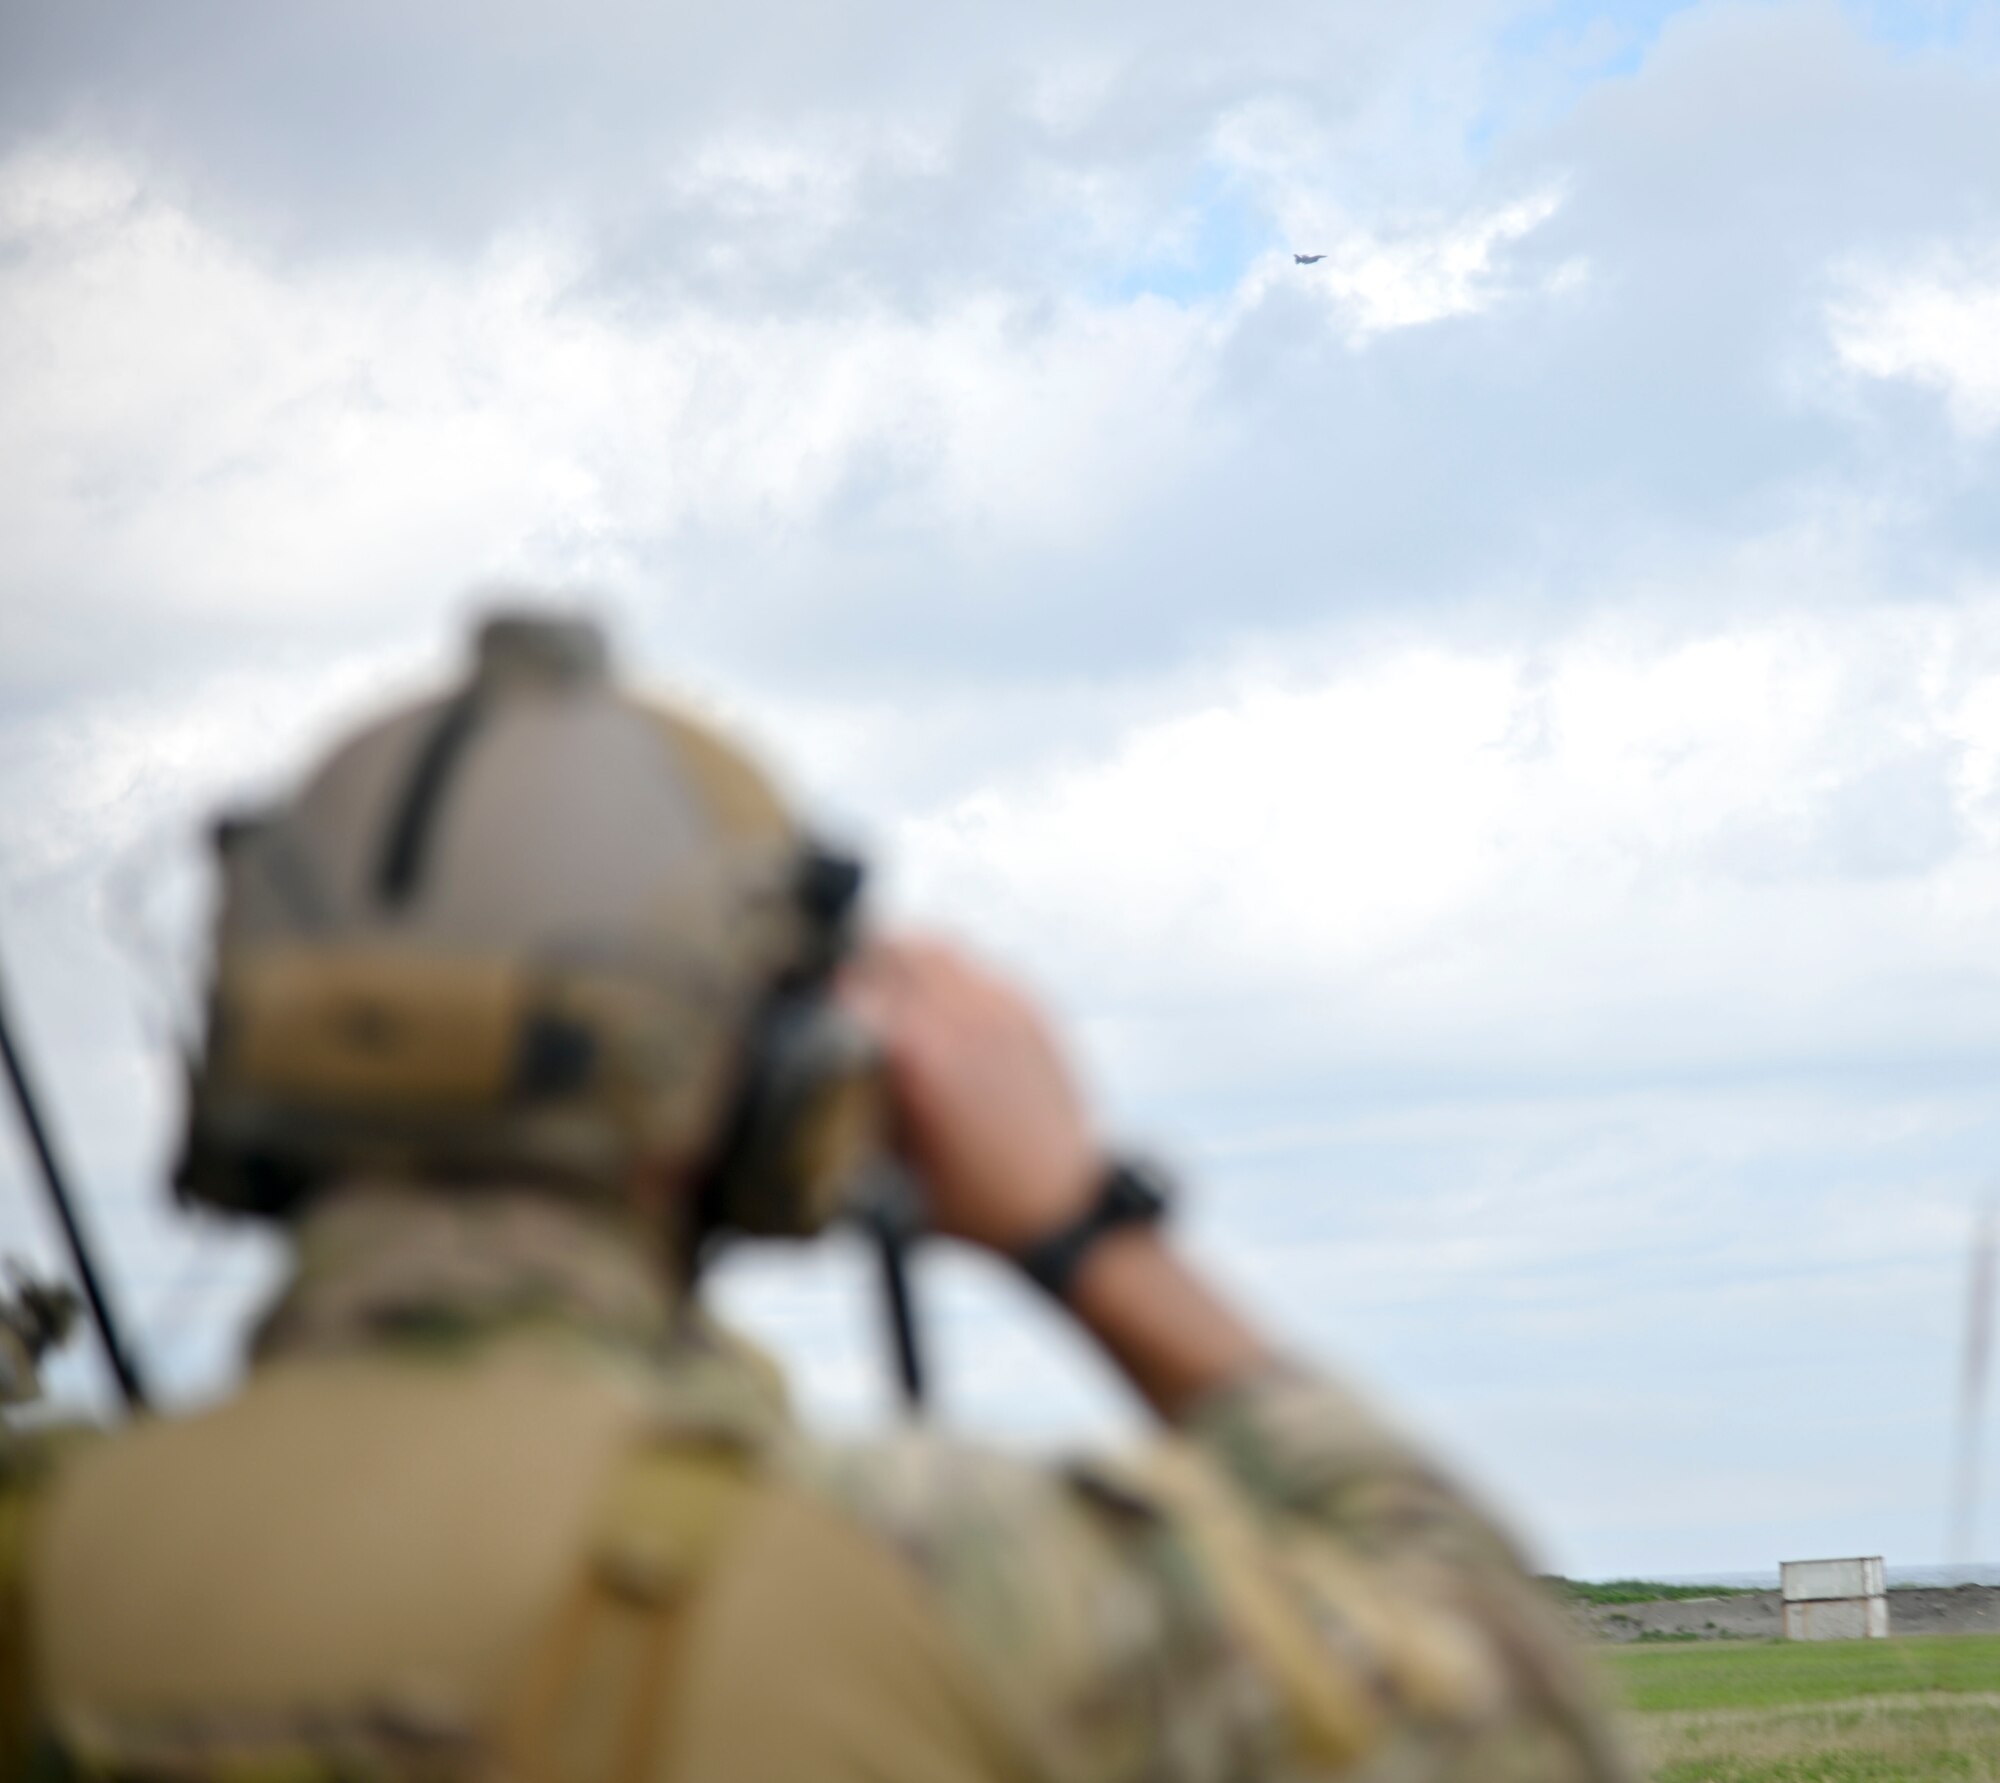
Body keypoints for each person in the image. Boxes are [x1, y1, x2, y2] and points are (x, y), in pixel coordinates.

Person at [0, 612, 1631, 1782]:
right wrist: (1083, 1230)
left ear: (237, 1051)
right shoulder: (955, 1577)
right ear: (777, 1080)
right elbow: (1530, 1729)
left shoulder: (40, 1558)